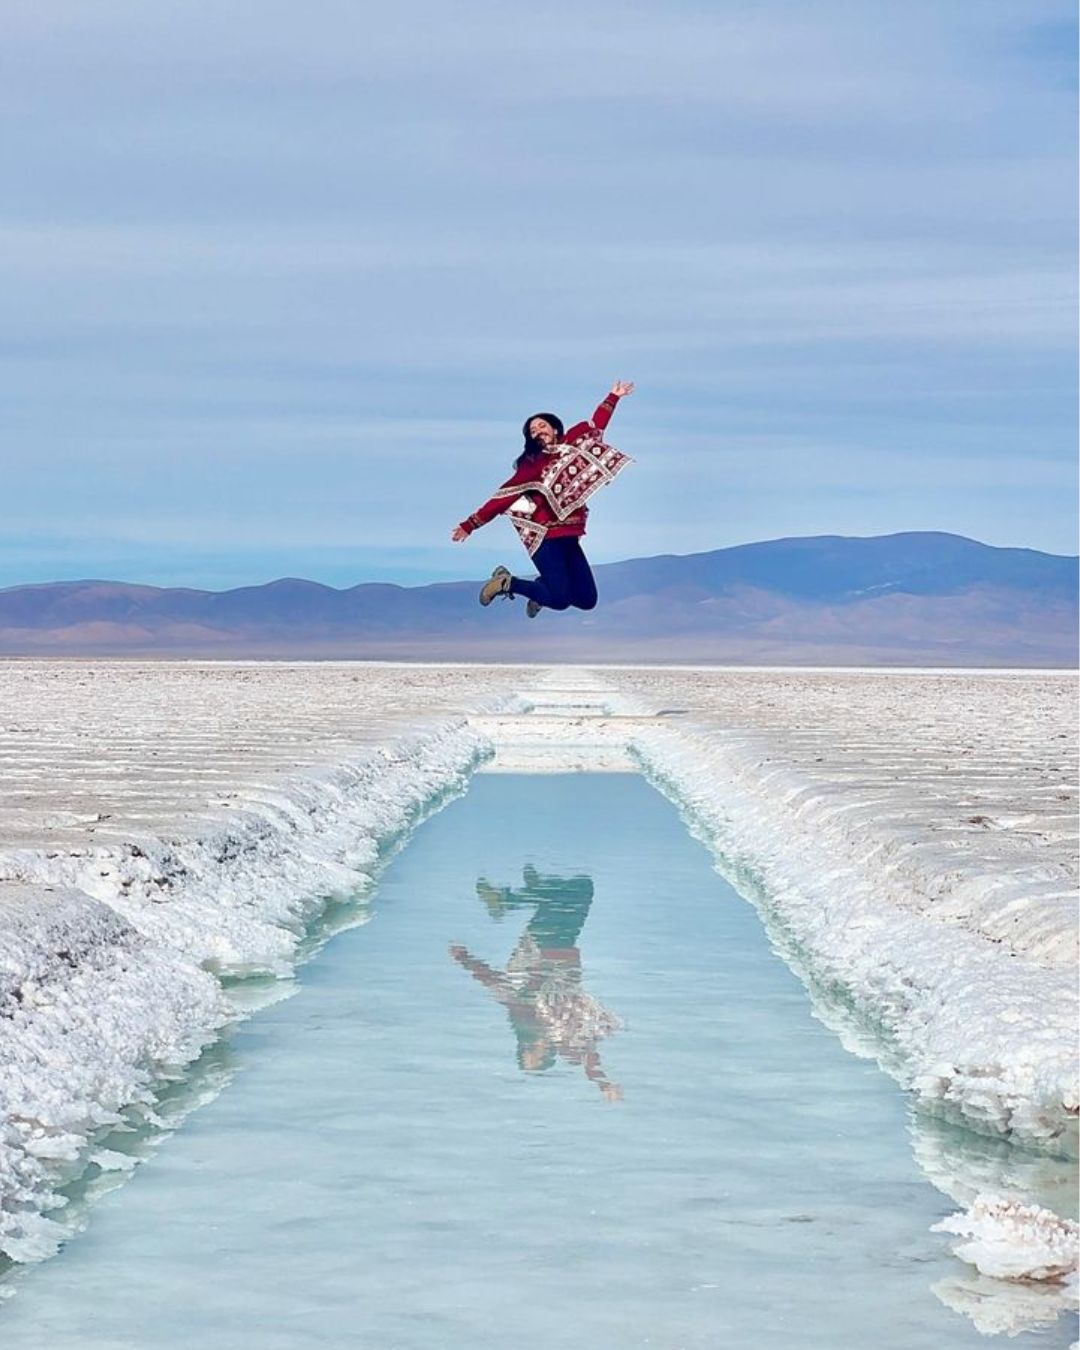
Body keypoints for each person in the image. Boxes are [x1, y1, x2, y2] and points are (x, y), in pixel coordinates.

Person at [450, 381, 635, 617]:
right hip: (544, 537)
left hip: (570, 536)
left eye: (541, 426)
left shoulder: (574, 442)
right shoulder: (532, 465)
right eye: (532, 431)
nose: (537, 432)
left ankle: (540, 590)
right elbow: (503, 497)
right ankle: (508, 582)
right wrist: (470, 524)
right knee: (559, 600)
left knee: (587, 600)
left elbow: (596, 426)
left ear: (555, 428)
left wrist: (613, 397)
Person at [449, 868, 623, 1101]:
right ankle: (533, 889)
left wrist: (465, 959)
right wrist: (603, 1083)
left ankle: (510, 899)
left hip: (538, 950)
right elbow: (587, 1058)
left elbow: (494, 982)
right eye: (536, 1056)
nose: (532, 1049)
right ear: (547, 1054)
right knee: (582, 888)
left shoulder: (524, 1016)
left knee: (568, 895)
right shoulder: (563, 1038)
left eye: (527, 1052)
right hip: (564, 951)